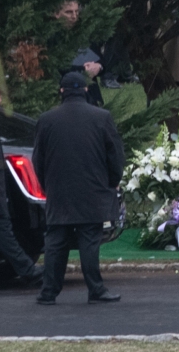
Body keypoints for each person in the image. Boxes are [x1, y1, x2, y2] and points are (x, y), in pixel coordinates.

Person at [33, 72, 125, 305]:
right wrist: (113, 180)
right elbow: (115, 155)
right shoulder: (101, 117)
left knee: (55, 242)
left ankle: (48, 292)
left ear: (61, 91)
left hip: (59, 191)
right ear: (85, 90)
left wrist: (47, 186)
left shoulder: (46, 119)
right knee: (89, 240)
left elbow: (38, 160)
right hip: (92, 189)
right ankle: (95, 289)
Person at [0, 77, 43, 285]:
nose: (1, 102)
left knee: (0, 229)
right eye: (0, 97)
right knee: (1, 229)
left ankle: (28, 269)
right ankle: (28, 270)